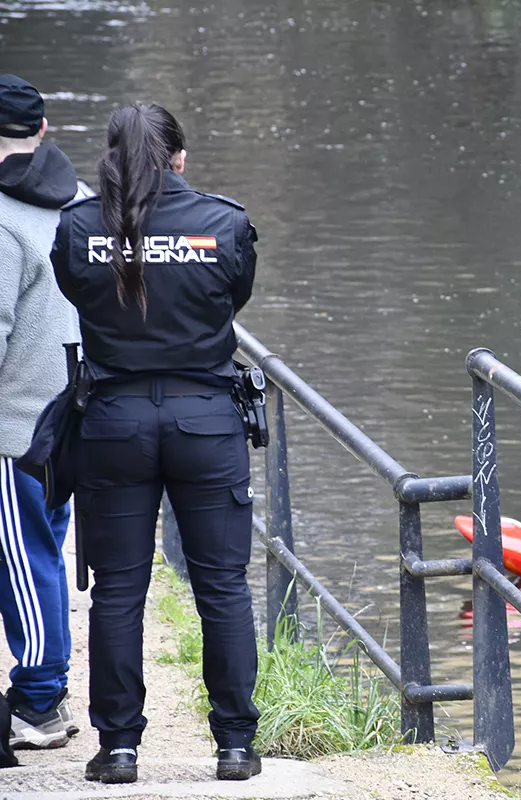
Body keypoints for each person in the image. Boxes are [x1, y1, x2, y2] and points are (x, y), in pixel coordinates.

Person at [50, 103, 261, 784]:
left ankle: (119, 749)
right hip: (206, 419)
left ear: (110, 158)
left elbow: (77, 291)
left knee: (117, 591)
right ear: (180, 158)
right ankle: (233, 746)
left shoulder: (79, 228)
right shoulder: (225, 223)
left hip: (113, 421)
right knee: (223, 587)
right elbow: (235, 296)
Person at [0, 74, 81, 751]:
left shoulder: (0, 220)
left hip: (14, 428)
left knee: (23, 562)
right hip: (73, 417)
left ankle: (39, 702)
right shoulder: (81, 200)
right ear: (44, 130)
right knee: (46, 554)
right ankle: (46, 692)